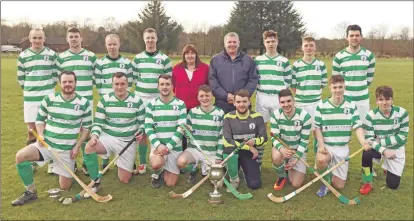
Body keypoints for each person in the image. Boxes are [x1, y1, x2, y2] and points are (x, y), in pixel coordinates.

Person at [11, 71, 92, 206]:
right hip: (46, 145)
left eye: (70, 82)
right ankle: (31, 192)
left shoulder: (84, 103)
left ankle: (69, 167)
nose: (67, 84)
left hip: (66, 150)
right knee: (20, 156)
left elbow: (86, 129)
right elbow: (40, 120)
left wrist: (77, 146)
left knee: (65, 187)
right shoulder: (49, 99)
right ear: (60, 83)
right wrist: (41, 134)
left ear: (75, 83)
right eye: (64, 82)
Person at [83, 72, 145, 193]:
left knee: (125, 179)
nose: (120, 87)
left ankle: (121, 161)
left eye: (122, 84)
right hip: (109, 138)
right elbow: (98, 122)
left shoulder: (137, 101)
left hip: (127, 141)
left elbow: (143, 123)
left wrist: (140, 131)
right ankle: (95, 181)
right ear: (112, 85)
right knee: (89, 147)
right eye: (116, 84)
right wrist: (95, 136)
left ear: (127, 84)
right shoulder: (105, 100)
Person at [313, 75, 371, 197]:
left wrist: (363, 142)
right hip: (327, 145)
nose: (338, 90)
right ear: (330, 88)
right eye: (335, 87)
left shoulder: (351, 106)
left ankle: (331, 169)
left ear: (345, 87)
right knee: (321, 160)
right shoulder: (321, 106)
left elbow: (357, 127)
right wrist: (321, 145)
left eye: (340, 87)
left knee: (339, 186)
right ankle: (325, 180)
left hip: (342, 147)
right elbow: (317, 128)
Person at [56, 27, 97, 175]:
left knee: (87, 131)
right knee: (69, 131)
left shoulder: (91, 56)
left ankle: (86, 163)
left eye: (76, 36)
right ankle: (70, 163)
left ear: (81, 39)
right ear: (67, 39)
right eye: (71, 36)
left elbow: (95, 76)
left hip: (86, 100)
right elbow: (59, 78)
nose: (73, 39)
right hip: (69, 102)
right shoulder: (61, 58)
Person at [132, 28, 173, 175]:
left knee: (157, 131)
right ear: (144, 40)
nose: (150, 40)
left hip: (157, 100)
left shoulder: (164, 59)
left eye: (152, 38)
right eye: (147, 38)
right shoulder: (137, 58)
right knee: (142, 132)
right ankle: (142, 163)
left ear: (156, 39)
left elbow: (167, 81)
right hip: (141, 99)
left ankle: (158, 160)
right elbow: (135, 79)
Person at [17, 28, 58, 174]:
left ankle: (52, 162)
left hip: (47, 97)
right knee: (32, 131)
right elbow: (21, 78)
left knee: (48, 130)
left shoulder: (51, 55)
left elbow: (55, 76)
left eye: (40, 38)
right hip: (30, 98)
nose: (37, 41)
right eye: (34, 38)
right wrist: (30, 89)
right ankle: (32, 160)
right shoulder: (23, 56)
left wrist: (47, 90)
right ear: (29, 39)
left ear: (44, 39)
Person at [359, 86, 409, 194]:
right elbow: (369, 140)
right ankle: (367, 182)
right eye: (381, 99)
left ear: (392, 100)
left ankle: (387, 167)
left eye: (387, 99)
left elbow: (402, 136)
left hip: (395, 148)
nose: (384, 102)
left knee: (393, 185)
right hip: (379, 148)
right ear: (377, 101)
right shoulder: (370, 116)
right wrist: (384, 150)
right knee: (366, 152)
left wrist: (379, 142)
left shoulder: (402, 113)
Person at [94, 34, 134, 170]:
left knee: (126, 129)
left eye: (114, 44)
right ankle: (104, 160)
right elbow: (98, 84)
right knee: (105, 130)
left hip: (123, 102)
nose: (112, 47)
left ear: (119, 44)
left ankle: (126, 157)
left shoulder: (127, 63)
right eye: (109, 44)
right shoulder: (100, 63)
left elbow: (130, 82)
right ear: (106, 45)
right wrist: (107, 100)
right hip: (107, 103)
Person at [176, 85, 225, 184]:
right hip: (195, 150)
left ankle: (206, 168)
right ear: (198, 97)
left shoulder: (220, 113)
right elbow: (188, 135)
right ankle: (193, 169)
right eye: (201, 96)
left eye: (207, 95)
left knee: (218, 184)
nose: (204, 98)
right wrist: (186, 131)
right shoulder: (192, 113)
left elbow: (222, 137)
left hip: (212, 153)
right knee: (181, 162)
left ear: (212, 97)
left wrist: (219, 156)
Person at [145, 74, 187, 188]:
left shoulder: (180, 104)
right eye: (162, 84)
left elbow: (181, 129)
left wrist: (168, 147)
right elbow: (148, 127)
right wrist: (159, 146)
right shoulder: (151, 105)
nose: (165, 87)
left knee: (170, 184)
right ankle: (157, 172)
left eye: (167, 84)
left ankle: (165, 170)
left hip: (174, 147)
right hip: (158, 147)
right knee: (156, 164)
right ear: (158, 87)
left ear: (172, 86)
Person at [222, 89, 267, 192]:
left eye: (244, 101)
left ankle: (244, 168)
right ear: (234, 103)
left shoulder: (257, 117)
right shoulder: (228, 117)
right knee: (228, 149)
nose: (241, 105)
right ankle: (234, 179)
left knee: (255, 184)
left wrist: (255, 141)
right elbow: (228, 140)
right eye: (238, 102)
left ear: (249, 102)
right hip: (233, 151)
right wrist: (249, 147)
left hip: (249, 153)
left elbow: (264, 138)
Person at [332, 24, 376, 123]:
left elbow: (369, 79)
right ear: (347, 38)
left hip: (363, 100)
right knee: (343, 132)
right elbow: (336, 81)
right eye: (351, 35)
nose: (354, 38)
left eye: (357, 35)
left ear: (361, 37)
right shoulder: (339, 57)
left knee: (365, 130)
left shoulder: (369, 56)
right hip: (344, 100)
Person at [270, 89, 312, 190]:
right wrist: (282, 149)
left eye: (288, 101)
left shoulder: (305, 116)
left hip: (297, 151)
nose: (286, 105)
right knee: (276, 157)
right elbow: (274, 137)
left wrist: (296, 158)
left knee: (295, 184)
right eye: (282, 102)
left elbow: (304, 141)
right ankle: (281, 176)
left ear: (294, 101)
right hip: (283, 149)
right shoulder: (275, 115)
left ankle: (290, 166)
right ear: (279, 103)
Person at [291, 36, 328, 153]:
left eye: (311, 45)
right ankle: (301, 159)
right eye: (306, 45)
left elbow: (323, 83)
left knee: (317, 132)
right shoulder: (296, 65)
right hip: (300, 104)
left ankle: (318, 159)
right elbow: (293, 86)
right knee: (300, 132)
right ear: (302, 47)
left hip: (316, 103)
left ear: (315, 47)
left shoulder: (321, 65)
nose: (308, 48)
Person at [208, 32, 258, 114]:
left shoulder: (248, 60)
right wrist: (225, 96)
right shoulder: (216, 60)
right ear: (225, 44)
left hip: (242, 104)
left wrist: (241, 97)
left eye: (234, 42)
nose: (232, 44)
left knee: (243, 127)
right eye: (229, 42)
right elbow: (213, 81)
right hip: (222, 104)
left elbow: (253, 79)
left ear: (239, 43)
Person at [172, 44, 209, 151]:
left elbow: (208, 87)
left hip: (198, 108)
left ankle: (197, 157)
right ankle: (183, 158)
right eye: (187, 53)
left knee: (197, 134)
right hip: (181, 108)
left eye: (192, 53)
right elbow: (173, 86)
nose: (190, 55)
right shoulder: (177, 68)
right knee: (182, 134)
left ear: (196, 55)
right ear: (183, 55)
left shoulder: (205, 68)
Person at [254, 30, 292, 123]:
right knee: (261, 125)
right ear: (264, 43)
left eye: (273, 41)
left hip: (278, 97)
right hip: (262, 97)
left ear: (277, 42)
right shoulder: (257, 60)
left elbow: (288, 81)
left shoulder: (284, 61)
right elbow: (254, 79)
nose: (271, 44)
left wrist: (279, 90)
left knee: (281, 124)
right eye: (268, 42)